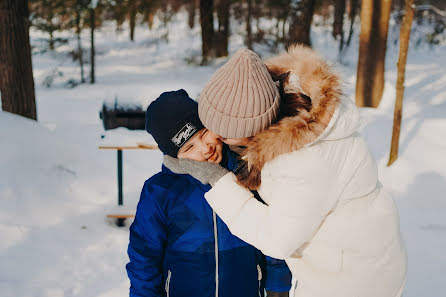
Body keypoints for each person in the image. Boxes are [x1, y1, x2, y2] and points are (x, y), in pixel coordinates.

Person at [164, 47, 407, 297]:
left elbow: (277, 240)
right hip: (349, 258)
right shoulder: (287, 117)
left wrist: (218, 180)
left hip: (353, 280)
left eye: (221, 130)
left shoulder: (303, 158)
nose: (216, 138)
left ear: (251, 124)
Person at [126, 89, 292, 297]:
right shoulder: (160, 191)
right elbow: (144, 258)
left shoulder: (247, 172)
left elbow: (271, 232)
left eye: (205, 133)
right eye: (189, 147)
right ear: (175, 156)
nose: (205, 149)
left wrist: (278, 287)